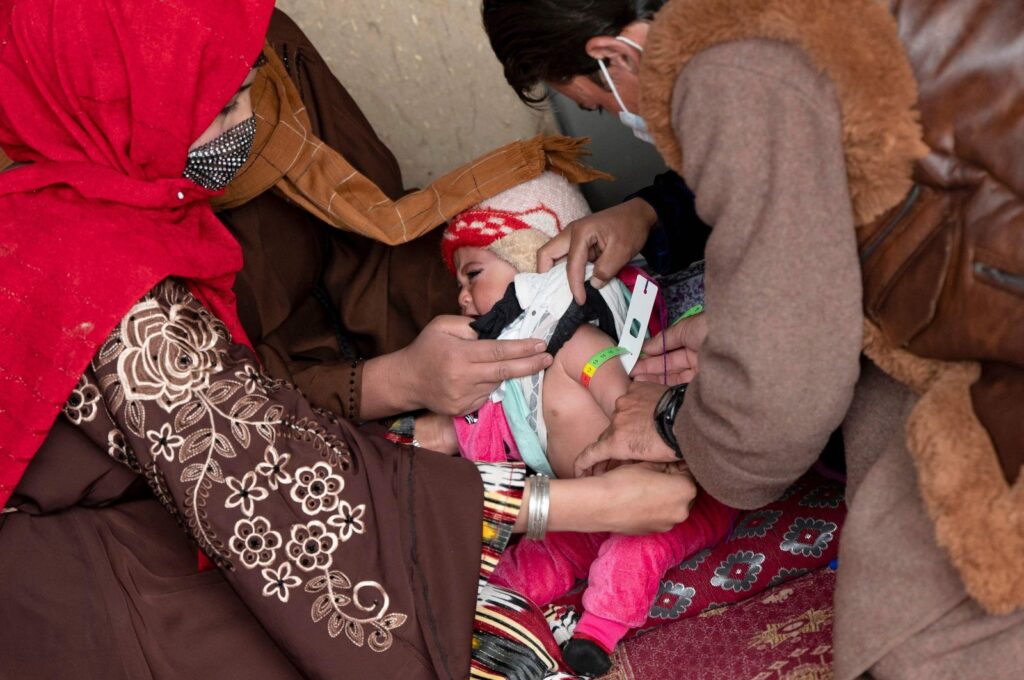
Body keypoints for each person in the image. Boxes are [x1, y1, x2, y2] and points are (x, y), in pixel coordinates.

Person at [0, 2, 698, 678]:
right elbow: (293, 502)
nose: (250, 121)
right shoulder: (105, 276)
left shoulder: (224, 95)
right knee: (387, 627)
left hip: (256, 448)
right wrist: (577, 504)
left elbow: (364, 237)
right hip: (107, 558)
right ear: (113, 104)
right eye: (217, 110)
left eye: (248, 91)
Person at [481, 1, 1024, 679]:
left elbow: (783, 396)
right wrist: (653, 216)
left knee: (919, 630)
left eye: (594, 104)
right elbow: (827, 196)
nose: (617, 114)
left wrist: (680, 419)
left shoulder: (724, 70)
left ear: (613, 58)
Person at [418, 171, 736, 676]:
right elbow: (479, 432)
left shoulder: (576, 341)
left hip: (668, 495)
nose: (461, 296)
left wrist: (632, 418)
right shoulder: (511, 375)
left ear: (532, 261)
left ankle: (597, 634)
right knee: (535, 559)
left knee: (632, 557)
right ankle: (485, 605)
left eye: (472, 274)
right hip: (589, 506)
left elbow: (623, 394)